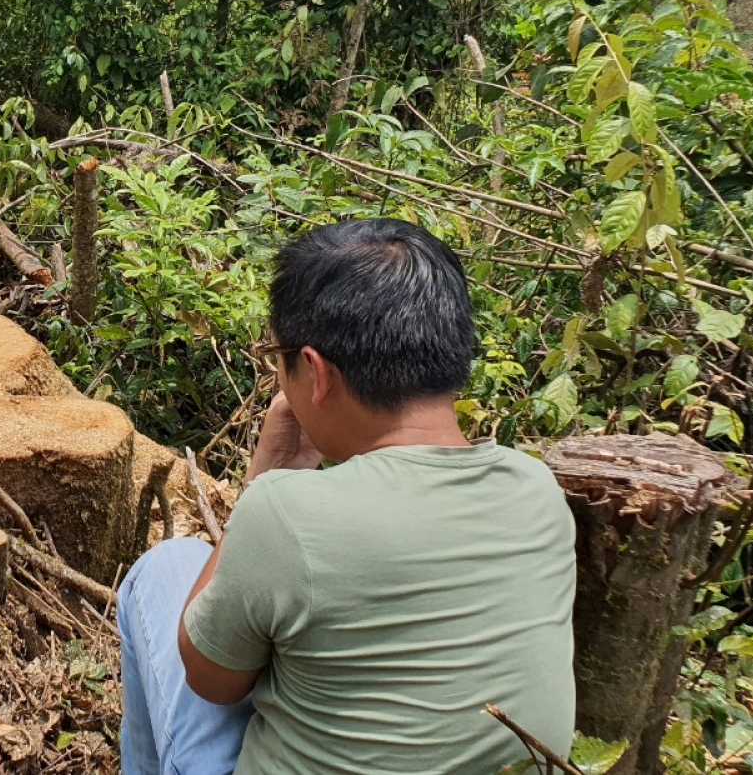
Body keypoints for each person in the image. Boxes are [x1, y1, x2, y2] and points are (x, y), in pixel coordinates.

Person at [117, 217, 576, 775]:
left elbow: (209, 680)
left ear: (315, 371)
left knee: (166, 568)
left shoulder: (286, 513)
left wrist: (265, 481)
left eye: (277, 357)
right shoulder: (537, 490)